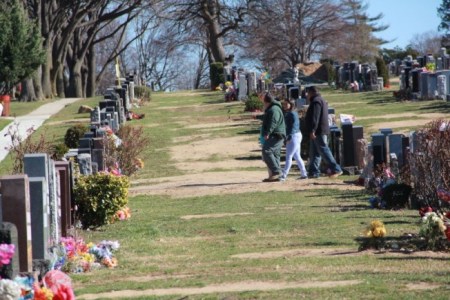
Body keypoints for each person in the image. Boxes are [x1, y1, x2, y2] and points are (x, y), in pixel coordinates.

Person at [304, 86, 343, 178]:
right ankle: (313, 172)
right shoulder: (320, 100)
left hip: (319, 131)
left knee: (323, 150)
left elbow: (315, 117)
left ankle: (336, 169)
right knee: (315, 152)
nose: (307, 95)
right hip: (319, 130)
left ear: (312, 93)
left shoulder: (316, 101)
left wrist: (313, 130)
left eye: (308, 93)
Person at [279, 99, 308, 181]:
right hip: (296, 135)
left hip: (294, 136)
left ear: (291, 104)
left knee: (289, 156)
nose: (284, 105)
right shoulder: (292, 113)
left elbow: (293, 126)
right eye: (284, 104)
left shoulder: (291, 114)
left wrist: (289, 137)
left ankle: (284, 175)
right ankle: (304, 174)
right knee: (297, 156)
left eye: (286, 104)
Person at [261, 93, 286, 182]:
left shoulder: (274, 109)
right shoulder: (272, 109)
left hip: (276, 134)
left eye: (264, 102)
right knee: (275, 155)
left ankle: (276, 171)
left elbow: (273, 122)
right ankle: (275, 176)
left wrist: (267, 133)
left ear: (267, 101)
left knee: (267, 151)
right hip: (276, 134)